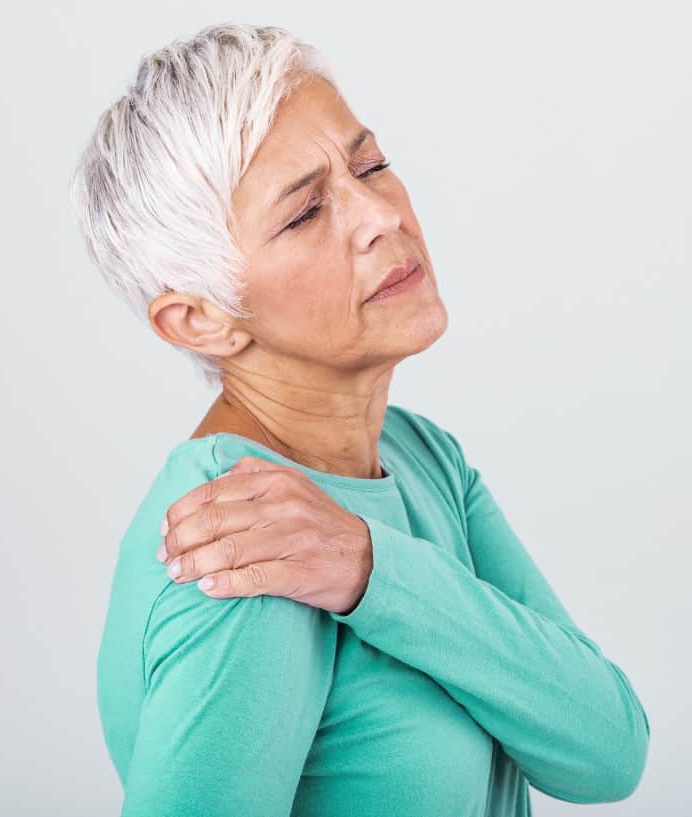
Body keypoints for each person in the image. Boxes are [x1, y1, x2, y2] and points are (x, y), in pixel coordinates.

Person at [68, 22, 650, 816]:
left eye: (370, 163)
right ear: (200, 320)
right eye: (306, 212)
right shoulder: (239, 543)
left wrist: (370, 567)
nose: (380, 213)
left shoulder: (420, 458)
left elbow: (606, 749)